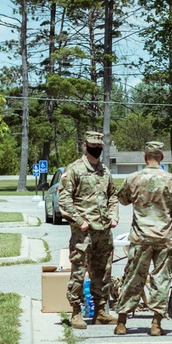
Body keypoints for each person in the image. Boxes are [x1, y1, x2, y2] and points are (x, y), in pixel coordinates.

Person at [113, 141, 172, 336]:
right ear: (162, 157)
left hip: (140, 237)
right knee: (161, 280)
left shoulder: (133, 178)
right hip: (164, 238)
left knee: (132, 278)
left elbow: (122, 199)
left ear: (144, 157)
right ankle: (156, 323)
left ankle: (121, 322)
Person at [58, 131, 120, 329]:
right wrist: (78, 220)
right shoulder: (75, 169)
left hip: (103, 232)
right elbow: (64, 199)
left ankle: (100, 311)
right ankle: (76, 312)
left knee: (103, 272)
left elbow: (113, 196)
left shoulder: (104, 171)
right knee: (79, 271)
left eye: (99, 145)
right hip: (83, 232)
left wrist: (114, 216)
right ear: (85, 145)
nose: (96, 148)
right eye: (93, 144)